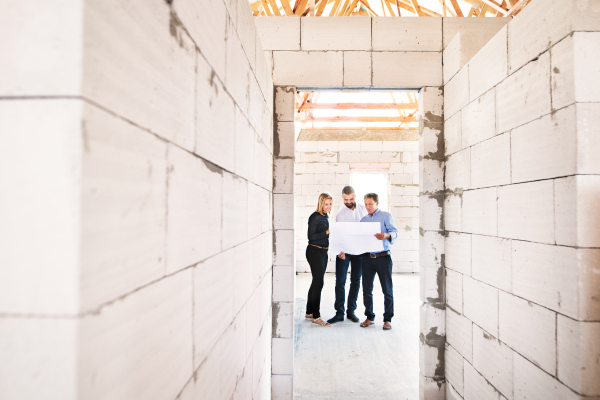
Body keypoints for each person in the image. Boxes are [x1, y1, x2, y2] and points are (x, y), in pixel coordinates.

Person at [327, 186, 368, 324]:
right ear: (342, 197)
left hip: (360, 252)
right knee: (340, 281)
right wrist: (340, 251)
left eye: (351, 199)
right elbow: (338, 234)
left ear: (355, 196)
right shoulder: (340, 213)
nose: (349, 202)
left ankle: (351, 311)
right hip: (344, 252)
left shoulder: (363, 209)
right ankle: (339, 313)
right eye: (346, 199)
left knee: (356, 281)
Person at [359, 193, 398, 331]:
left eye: (370, 203)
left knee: (387, 289)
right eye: (366, 203)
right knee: (367, 289)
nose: (368, 206)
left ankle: (387, 319)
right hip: (367, 258)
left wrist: (385, 235)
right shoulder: (363, 220)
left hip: (383, 258)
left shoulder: (386, 216)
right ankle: (369, 317)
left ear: (377, 203)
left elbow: (394, 233)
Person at [305, 193, 333, 327]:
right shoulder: (315, 217)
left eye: (330, 204)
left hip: (323, 252)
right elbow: (310, 237)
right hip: (314, 251)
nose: (328, 206)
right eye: (326, 204)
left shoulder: (325, 216)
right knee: (319, 283)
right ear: (321, 203)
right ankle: (316, 317)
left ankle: (309, 311)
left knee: (316, 281)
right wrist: (327, 232)